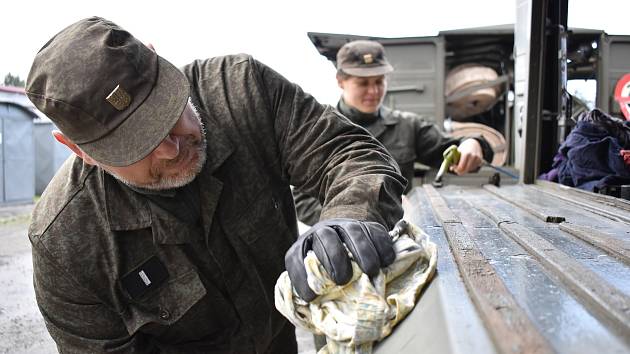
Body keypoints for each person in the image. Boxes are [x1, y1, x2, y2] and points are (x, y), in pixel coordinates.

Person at [26, 17, 407, 353]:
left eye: (167, 113)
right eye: (134, 147)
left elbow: (350, 153)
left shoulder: (242, 91)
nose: (170, 148)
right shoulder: (65, 243)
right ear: (78, 150)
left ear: (157, 58)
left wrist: (351, 215)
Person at [294, 40, 495, 225]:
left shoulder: (408, 126)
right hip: (343, 241)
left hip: (399, 240)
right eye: (363, 83)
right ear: (340, 81)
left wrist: (473, 144)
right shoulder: (320, 130)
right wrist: (350, 223)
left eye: (379, 81)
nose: (373, 91)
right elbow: (302, 202)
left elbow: (450, 150)